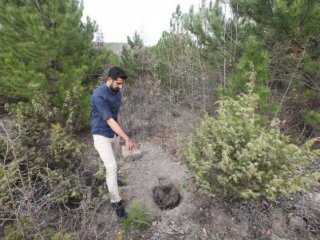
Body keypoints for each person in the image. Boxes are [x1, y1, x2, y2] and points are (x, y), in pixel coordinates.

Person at [90, 66, 134, 218]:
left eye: (122, 84)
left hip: (113, 134)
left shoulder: (118, 92)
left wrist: (121, 134)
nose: (121, 87)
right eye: (118, 83)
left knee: (113, 164)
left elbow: (117, 114)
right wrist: (127, 137)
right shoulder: (99, 95)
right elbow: (109, 120)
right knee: (112, 167)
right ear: (109, 80)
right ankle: (116, 203)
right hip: (101, 135)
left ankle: (112, 181)